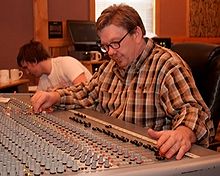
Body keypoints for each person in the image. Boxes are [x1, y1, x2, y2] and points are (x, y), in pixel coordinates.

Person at [31, 4, 214, 160]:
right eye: (105, 46)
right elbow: (87, 93)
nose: (110, 52)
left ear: (136, 33)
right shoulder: (110, 68)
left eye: (115, 43)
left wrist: (183, 133)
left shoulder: (167, 66)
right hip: (111, 151)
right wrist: (54, 96)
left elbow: (194, 111)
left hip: (148, 158)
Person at [17, 40, 92, 91]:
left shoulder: (66, 63)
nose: (27, 72)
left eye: (26, 67)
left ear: (34, 61)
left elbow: (84, 89)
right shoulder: (43, 80)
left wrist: (57, 94)